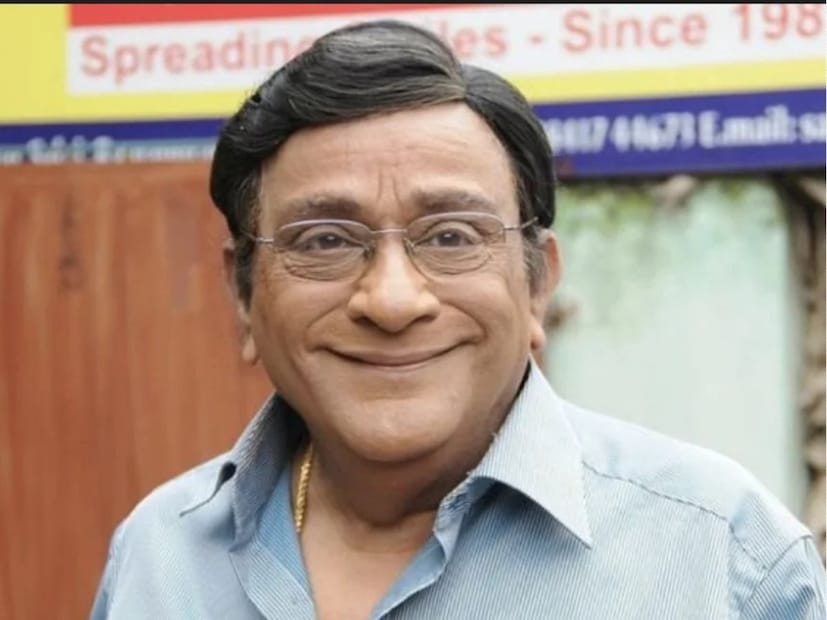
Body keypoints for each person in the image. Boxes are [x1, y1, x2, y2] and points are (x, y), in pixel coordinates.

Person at [91, 20, 826, 620]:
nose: (391, 301)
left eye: (450, 237)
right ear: (243, 293)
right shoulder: (161, 553)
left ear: (537, 284)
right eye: (325, 241)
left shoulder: (725, 559)